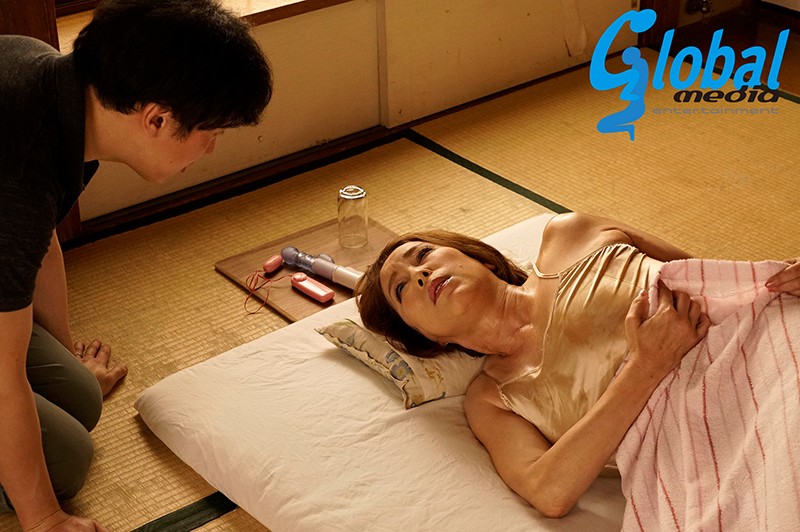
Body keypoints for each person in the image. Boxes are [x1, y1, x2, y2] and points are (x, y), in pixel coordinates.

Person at [0, 0, 272, 529]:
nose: (210, 150)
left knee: (80, 396)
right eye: (212, 132)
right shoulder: (19, 173)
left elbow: (40, 244)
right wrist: (45, 518)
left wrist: (67, 356)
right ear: (158, 118)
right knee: (64, 461)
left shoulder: (56, 86)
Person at [355, 212, 800, 518]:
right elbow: (549, 491)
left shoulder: (571, 234)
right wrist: (646, 367)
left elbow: (716, 279)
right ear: (427, 338)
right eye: (402, 289)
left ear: (476, 255)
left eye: (422, 255)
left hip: (770, 355)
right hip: (720, 457)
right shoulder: (492, 398)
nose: (419, 274)